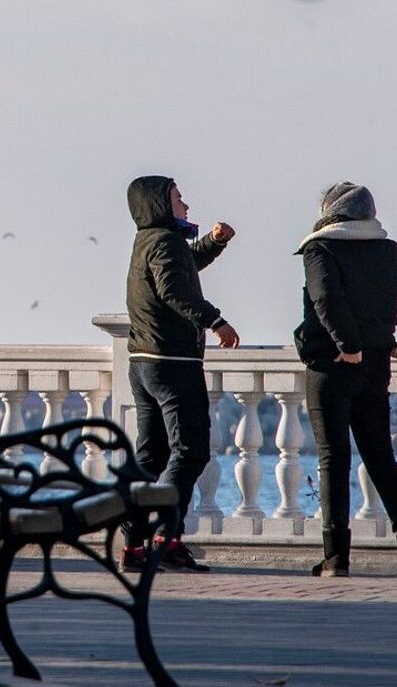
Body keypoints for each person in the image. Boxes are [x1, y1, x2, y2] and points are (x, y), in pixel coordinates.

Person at [293, 181, 397, 579]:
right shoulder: (388, 251)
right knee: (381, 461)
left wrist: (347, 343)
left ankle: (335, 559)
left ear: (330, 212)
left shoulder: (320, 248)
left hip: (332, 363)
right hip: (376, 366)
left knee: (333, 460)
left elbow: (325, 297)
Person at [122, 174, 240, 573]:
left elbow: (183, 268)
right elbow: (175, 289)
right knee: (189, 452)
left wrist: (214, 242)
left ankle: (134, 545)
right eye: (177, 198)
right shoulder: (165, 242)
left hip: (142, 364)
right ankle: (165, 538)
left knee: (150, 457)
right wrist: (216, 320)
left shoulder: (150, 242)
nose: (186, 205)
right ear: (159, 204)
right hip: (173, 363)